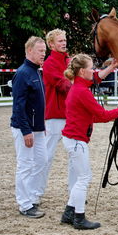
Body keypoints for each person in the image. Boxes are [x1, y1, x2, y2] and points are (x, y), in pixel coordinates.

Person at [60, 54, 118, 230]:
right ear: (81, 71)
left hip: (74, 139)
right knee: (84, 178)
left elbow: (95, 116)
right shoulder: (81, 91)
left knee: (82, 177)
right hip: (77, 140)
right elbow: (102, 115)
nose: (93, 71)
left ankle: (69, 213)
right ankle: (79, 217)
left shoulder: (79, 88)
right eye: (91, 68)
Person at [10, 36, 48, 218]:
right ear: (30, 51)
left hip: (39, 128)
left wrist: (41, 124)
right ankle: (24, 204)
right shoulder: (23, 73)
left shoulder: (36, 72)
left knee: (41, 160)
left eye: (45, 51)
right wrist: (26, 131)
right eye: (41, 51)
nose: (44, 54)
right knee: (25, 165)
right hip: (25, 128)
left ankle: (32, 196)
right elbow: (18, 106)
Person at [42, 29, 71, 196]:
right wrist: (79, 86)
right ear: (51, 44)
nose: (64, 43)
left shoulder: (69, 61)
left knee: (75, 156)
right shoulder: (49, 63)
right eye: (60, 41)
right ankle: (34, 195)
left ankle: (74, 193)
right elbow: (62, 84)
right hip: (54, 116)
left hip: (70, 115)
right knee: (46, 157)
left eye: (64, 40)